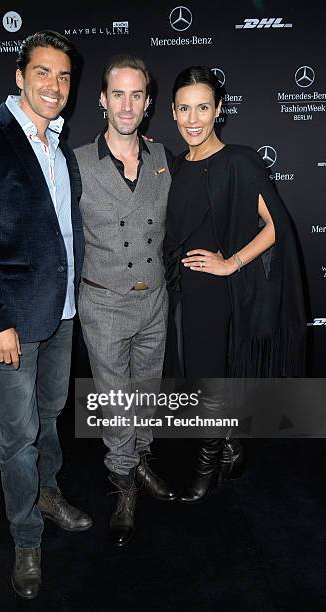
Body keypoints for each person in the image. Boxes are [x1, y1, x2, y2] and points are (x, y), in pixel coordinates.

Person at [0, 31, 92, 600]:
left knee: (51, 415)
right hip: (10, 319)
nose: (54, 85)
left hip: (63, 311)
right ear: (19, 75)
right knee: (17, 436)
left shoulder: (59, 145)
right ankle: (25, 537)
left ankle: (48, 495)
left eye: (63, 76)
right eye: (43, 73)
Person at [163, 66, 306, 503]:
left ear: (219, 110)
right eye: (184, 108)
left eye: (202, 107)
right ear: (171, 112)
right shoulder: (172, 164)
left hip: (213, 293)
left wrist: (232, 263)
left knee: (206, 378)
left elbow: (275, 225)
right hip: (177, 290)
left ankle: (210, 462)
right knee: (189, 375)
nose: (193, 118)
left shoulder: (239, 160)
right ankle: (231, 445)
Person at [74, 54, 176, 548]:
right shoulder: (76, 163)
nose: (127, 104)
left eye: (137, 94)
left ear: (149, 102)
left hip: (154, 299)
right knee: (117, 403)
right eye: (118, 94)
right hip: (105, 303)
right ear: (101, 100)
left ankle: (142, 460)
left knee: (146, 392)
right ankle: (123, 484)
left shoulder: (161, 158)